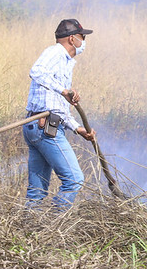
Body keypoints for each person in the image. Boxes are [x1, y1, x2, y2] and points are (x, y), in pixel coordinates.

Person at [23, 18, 96, 210]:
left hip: (41, 125)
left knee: (37, 191)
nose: (84, 42)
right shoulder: (55, 52)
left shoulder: (65, 63)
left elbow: (58, 107)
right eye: (82, 37)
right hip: (45, 127)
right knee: (74, 180)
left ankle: (29, 230)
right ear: (72, 39)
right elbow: (36, 71)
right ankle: (56, 225)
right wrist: (64, 90)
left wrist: (78, 128)